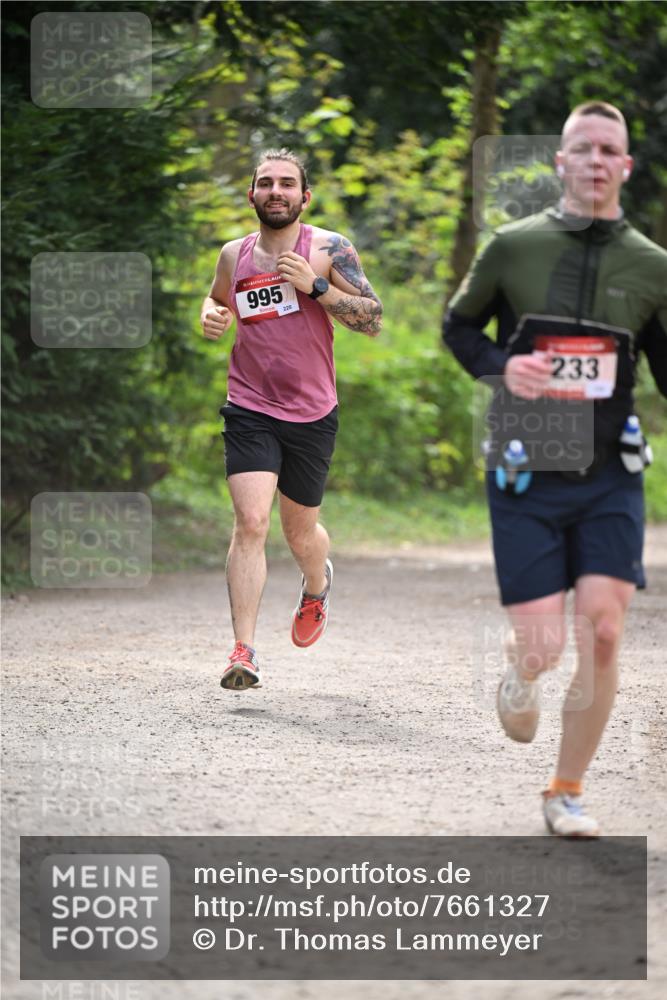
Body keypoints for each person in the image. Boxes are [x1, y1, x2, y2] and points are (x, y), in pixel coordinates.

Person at [443, 102, 667, 836]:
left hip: (609, 472)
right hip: (525, 469)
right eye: (583, 149)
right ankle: (523, 667)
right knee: (544, 646)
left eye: (609, 150)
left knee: (603, 629)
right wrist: (504, 366)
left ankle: (565, 790)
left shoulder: (653, 267)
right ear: (560, 162)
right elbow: (457, 327)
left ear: (625, 166)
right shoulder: (513, 246)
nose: (596, 160)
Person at [201, 148, 382, 691]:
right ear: (252, 194)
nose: (275, 191)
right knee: (251, 522)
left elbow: (372, 320)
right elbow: (217, 301)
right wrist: (211, 314)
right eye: (266, 183)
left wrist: (316, 286)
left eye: (286, 183)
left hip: (312, 411)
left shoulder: (329, 249)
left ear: (305, 196)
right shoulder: (233, 255)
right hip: (250, 403)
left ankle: (315, 584)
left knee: (299, 534)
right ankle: (243, 651)